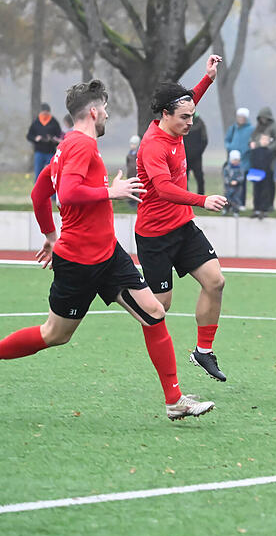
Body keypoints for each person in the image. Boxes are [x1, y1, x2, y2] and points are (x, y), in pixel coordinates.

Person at [0, 79, 214, 420]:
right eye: (106, 111)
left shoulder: (65, 144)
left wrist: (50, 236)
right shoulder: (81, 146)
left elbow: (40, 194)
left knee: (154, 313)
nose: (108, 117)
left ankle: (175, 401)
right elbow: (67, 194)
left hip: (108, 255)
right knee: (54, 334)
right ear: (95, 111)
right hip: (80, 263)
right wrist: (110, 193)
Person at [135, 55, 229, 382]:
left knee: (215, 281)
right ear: (165, 115)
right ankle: (122, 288)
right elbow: (162, 189)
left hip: (183, 228)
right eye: (185, 118)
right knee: (159, 308)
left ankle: (203, 351)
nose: (190, 123)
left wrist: (208, 79)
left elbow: (189, 101)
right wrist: (203, 199)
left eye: (193, 116)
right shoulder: (153, 146)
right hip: (155, 236)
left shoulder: (176, 120)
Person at [249, 106, 276, 217]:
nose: (263, 120)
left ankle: (268, 205)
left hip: (271, 158)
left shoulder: (275, 127)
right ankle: (258, 207)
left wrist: (269, 148)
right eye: (261, 118)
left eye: (264, 118)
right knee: (258, 184)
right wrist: (254, 145)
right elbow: (253, 138)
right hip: (258, 157)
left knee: (268, 183)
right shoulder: (258, 127)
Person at [225, 107, 254, 209]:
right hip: (232, 158)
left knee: (242, 183)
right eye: (239, 117)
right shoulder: (233, 128)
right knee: (229, 182)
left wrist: (248, 148)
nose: (240, 119)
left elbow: (252, 141)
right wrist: (230, 147)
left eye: (243, 117)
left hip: (244, 160)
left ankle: (241, 203)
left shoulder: (251, 129)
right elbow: (227, 139)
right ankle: (230, 203)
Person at [26, 102, 63, 182]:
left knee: (52, 174)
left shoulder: (54, 122)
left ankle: (53, 194)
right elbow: (29, 136)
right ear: (41, 112)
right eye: (44, 113)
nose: (45, 115)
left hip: (51, 152)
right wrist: (36, 138)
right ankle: (37, 193)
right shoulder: (36, 122)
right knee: (38, 174)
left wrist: (54, 139)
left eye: (47, 113)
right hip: (39, 152)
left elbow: (60, 136)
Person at [248, 133, 276, 219]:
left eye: (266, 140)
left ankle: (264, 210)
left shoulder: (270, 152)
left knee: (265, 193)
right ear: (259, 141)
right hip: (256, 175)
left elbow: (271, 165)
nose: (264, 141)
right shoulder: (255, 151)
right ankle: (256, 209)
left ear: (269, 141)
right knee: (256, 192)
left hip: (267, 175)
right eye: (263, 139)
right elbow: (252, 161)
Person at [184, 111, 208, 195]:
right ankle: (185, 196)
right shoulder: (181, 122)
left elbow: (204, 140)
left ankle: (201, 195)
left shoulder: (200, 123)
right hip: (184, 156)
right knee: (183, 178)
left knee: (199, 177)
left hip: (197, 156)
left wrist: (198, 152)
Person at [223, 150, 246, 216]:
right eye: (234, 160)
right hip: (228, 187)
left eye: (237, 160)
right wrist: (229, 182)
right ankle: (226, 209)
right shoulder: (227, 168)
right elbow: (225, 177)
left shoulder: (241, 168)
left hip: (237, 187)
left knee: (236, 199)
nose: (235, 161)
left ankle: (235, 211)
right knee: (227, 199)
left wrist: (237, 181)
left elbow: (242, 177)